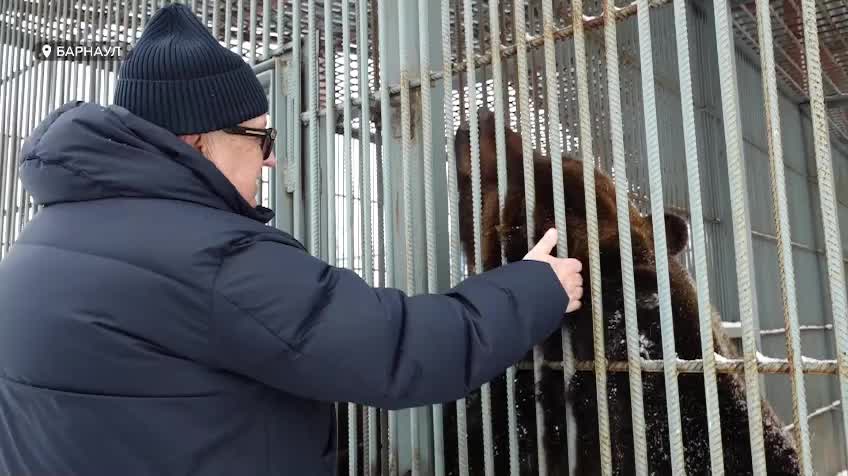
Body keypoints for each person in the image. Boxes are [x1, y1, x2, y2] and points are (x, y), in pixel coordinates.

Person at [0, 3, 583, 475]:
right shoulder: (208, 257)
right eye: (259, 136)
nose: (274, 157)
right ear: (199, 141)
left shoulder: (36, 245)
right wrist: (535, 289)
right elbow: (395, 351)